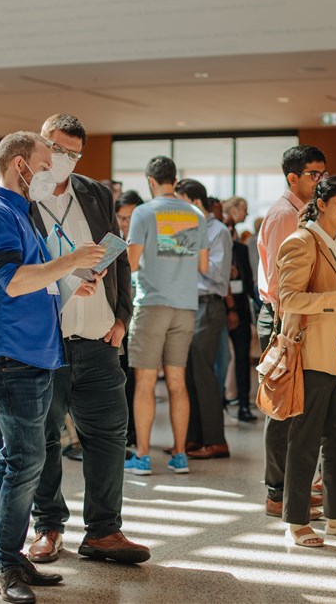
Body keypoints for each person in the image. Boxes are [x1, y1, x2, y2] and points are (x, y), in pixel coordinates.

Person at [0, 131, 106, 604]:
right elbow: (13, 282)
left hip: (37, 353)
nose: (51, 172)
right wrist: (70, 261)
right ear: (20, 164)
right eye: (45, 163)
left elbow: (37, 281)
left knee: (20, 460)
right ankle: (5, 563)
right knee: (24, 460)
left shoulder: (22, 214)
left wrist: (70, 281)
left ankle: (7, 555)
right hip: (13, 356)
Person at [24, 114, 147, 567]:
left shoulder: (95, 192)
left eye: (73, 153)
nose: (65, 160)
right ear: (41, 145)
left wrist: (122, 317)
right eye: (57, 149)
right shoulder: (18, 197)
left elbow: (117, 254)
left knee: (110, 436)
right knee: (44, 438)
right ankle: (49, 527)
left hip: (98, 337)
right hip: (45, 341)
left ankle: (104, 531)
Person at [275, 175, 336, 548]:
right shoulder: (301, 241)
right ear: (321, 204)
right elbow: (288, 299)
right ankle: (295, 521)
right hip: (309, 356)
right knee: (304, 441)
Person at [124, 156, 209, 477]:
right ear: (175, 179)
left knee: (145, 382)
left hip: (152, 305)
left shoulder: (143, 212)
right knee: (177, 382)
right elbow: (203, 266)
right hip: (185, 306)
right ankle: (180, 455)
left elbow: (131, 264)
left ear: (150, 181)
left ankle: (143, 456)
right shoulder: (196, 214)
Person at [256, 145, 326, 517]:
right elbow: (279, 283)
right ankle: (276, 492)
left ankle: (290, 487)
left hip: (296, 318)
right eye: (313, 175)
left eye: (322, 175)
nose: (320, 181)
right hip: (282, 318)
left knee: (296, 405)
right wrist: (287, 330)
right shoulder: (286, 215)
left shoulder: (305, 213)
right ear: (292, 178)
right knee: (282, 405)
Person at [175, 179, 232, 459]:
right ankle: (193, 439)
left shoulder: (217, 231)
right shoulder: (188, 228)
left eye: (181, 202)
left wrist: (188, 253)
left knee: (204, 374)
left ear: (196, 203)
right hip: (187, 304)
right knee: (189, 374)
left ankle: (215, 440)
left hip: (208, 305)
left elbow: (217, 273)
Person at [223, 196, 257, 422]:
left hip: (242, 308)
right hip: (219, 308)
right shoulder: (211, 250)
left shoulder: (241, 250)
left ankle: (244, 404)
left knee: (243, 359)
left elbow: (248, 282)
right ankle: (221, 401)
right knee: (221, 358)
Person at [114, 190, 143, 448]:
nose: (125, 223)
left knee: (133, 377)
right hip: (117, 318)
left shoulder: (144, 242)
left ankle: (132, 433)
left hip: (140, 315)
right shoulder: (110, 241)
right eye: (121, 217)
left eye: (131, 217)